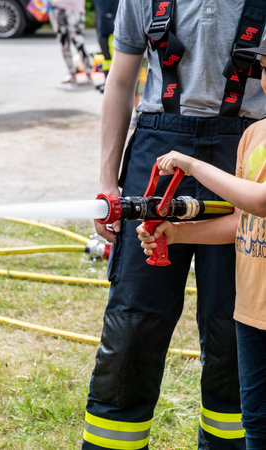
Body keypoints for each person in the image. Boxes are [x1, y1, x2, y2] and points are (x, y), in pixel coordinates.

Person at [82, 1, 266, 449]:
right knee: (135, 319)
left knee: (231, 322)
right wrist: (108, 183)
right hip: (157, 152)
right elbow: (121, 81)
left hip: (239, 150)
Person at [137, 41, 266, 450]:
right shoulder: (254, 136)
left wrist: (193, 165)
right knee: (258, 425)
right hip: (252, 313)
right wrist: (176, 234)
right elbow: (243, 218)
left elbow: (263, 201)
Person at [49, 0, 92, 84]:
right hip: (57, 7)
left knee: (79, 42)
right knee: (64, 43)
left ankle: (88, 72)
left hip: (75, 7)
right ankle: (71, 72)